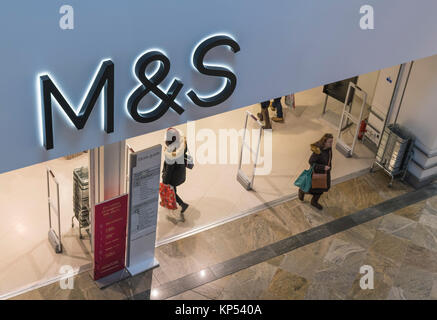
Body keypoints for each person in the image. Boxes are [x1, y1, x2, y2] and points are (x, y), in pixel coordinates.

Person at [298, 133, 333, 210]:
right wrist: (323, 167)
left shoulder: (329, 149)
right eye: (329, 142)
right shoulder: (318, 151)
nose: (331, 144)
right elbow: (311, 162)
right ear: (324, 142)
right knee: (313, 189)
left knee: (321, 189)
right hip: (317, 173)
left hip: (325, 173)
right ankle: (302, 191)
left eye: (332, 142)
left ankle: (314, 202)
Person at [162, 127, 189, 214]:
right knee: (173, 190)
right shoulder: (182, 145)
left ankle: (181, 204)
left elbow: (169, 171)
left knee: (171, 190)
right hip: (181, 172)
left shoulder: (171, 155)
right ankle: (179, 204)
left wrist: (164, 182)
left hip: (173, 177)